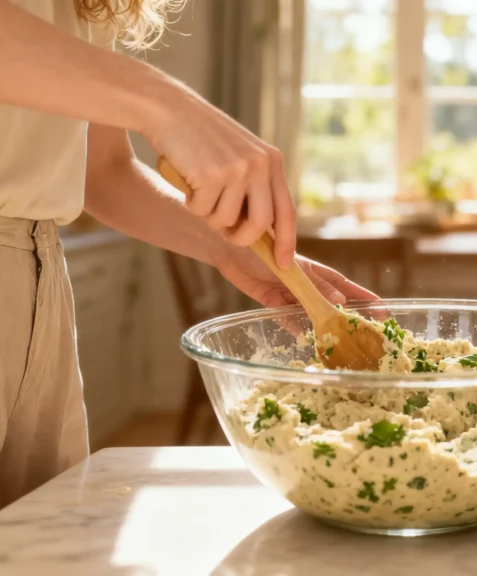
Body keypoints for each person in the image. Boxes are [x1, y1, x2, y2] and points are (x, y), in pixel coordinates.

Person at [0, 0, 376, 507]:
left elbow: (104, 170)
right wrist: (166, 103)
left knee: (37, 541)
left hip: (39, 275)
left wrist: (235, 248)